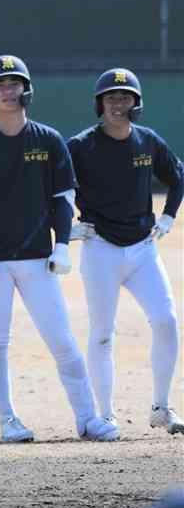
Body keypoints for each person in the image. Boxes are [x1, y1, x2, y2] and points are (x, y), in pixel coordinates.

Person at [0, 54, 119, 443]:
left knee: (62, 341)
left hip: (37, 258)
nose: (8, 91)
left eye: (14, 84)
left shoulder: (47, 140)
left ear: (26, 89)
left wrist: (61, 245)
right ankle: (8, 419)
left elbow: (62, 198)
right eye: (0, 85)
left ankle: (87, 418)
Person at [67, 68, 183, 437]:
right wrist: (63, 229)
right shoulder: (81, 146)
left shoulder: (147, 142)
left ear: (137, 103)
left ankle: (161, 407)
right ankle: (106, 414)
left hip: (142, 249)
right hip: (100, 247)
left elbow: (177, 176)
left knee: (166, 321)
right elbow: (52, 189)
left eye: (126, 97)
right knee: (102, 333)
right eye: (111, 97)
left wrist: (168, 217)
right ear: (99, 104)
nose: (118, 104)